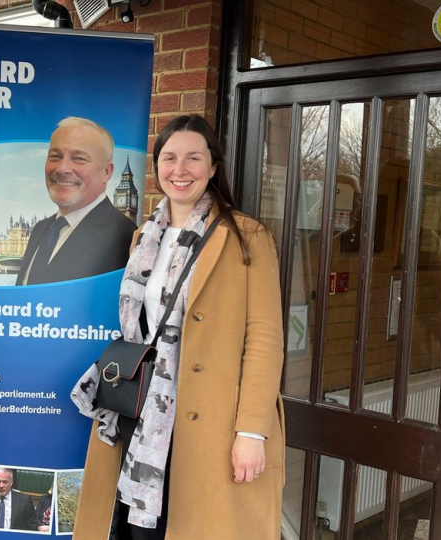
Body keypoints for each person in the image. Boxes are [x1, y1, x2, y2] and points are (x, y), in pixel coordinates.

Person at [71, 115, 285, 539]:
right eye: (169, 158)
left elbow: (264, 340)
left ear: (213, 166)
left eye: (193, 158)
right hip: (140, 410)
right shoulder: (143, 237)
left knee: (192, 525)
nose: (179, 170)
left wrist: (251, 431)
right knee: (137, 530)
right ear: (157, 167)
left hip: (212, 421)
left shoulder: (247, 236)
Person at [16, 117, 136, 285]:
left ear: (107, 172)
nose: (63, 168)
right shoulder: (40, 229)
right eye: (55, 156)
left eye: (79, 158)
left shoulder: (125, 238)